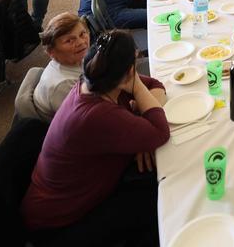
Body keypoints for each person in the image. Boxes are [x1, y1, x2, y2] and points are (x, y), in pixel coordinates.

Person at [21, 30, 168, 246]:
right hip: (62, 223)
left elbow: (156, 85)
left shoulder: (93, 82)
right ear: (129, 71)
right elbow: (161, 132)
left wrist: (140, 131)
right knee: (161, 202)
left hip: (74, 195)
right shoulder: (97, 114)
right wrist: (142, 121)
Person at [34, 13, 91, 121]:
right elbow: (85, 120)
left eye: (82, 34)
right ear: (52, 51)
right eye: (69, 41)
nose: (81, 42)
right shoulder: (63, 85)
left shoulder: (75, 59)